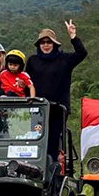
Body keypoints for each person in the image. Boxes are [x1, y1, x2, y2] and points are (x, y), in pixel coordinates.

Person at [25, 21, 88, 160]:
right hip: (38, 109)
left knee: (53, 142)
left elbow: (82, 53)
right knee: (36, 139)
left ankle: (51, 172)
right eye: (43, 42)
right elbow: (26, 83)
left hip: (58, 109)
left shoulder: (64, 59)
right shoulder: (32, 61)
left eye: (49, 42)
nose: (46, 45)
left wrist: (73, 37)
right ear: (38, 45)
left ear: (54, 44)